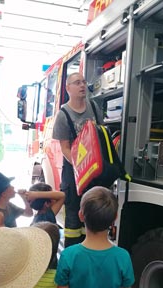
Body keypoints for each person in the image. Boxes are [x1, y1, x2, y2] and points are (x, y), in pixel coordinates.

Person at [52, 72, 102, 248]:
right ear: (68, 88)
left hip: (94, 171)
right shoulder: (63, 115)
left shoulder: (94, 107)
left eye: (83, 82)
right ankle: (73, 253)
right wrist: (80, 166)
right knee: (73, 218)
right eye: (77, 83)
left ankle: (91, 250)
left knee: (93, 213)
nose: (82, 86)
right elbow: (65, 148)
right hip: (74, 174)